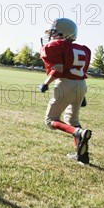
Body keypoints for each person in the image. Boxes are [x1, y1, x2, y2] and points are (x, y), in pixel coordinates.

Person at [39, 17, 92, 164]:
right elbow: (80, 72)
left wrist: (45, 83)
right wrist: (82, 96)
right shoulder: (83, 49)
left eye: (54, 32)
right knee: (73, 120)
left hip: (66, 84)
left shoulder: (55, 45)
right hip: (81, 85)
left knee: (50, 121)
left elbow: (58, 69)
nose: (50, 35)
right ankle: (82, 156)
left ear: (63, 34)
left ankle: (78, 133)